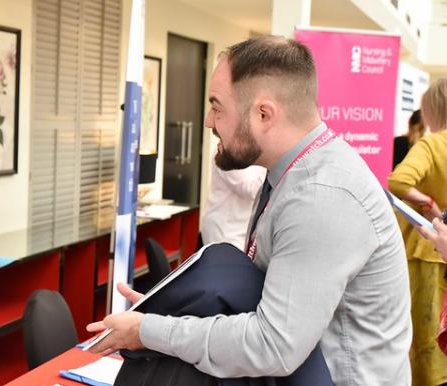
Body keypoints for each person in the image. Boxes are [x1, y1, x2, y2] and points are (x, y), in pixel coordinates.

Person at [87, 36, 412, 386]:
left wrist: (148, 331)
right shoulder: (295, 173)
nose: (209, 121)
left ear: (263, 113)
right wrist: (175, 313)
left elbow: (274, 345)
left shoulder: (320, 197)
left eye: (217, 107)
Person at [389, 78, 447, 385]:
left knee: (425, 337)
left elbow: (398, 181)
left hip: (425, 249)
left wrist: (426, 201)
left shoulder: (432, 144)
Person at [200, 146, 265, 250]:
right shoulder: (228, 151)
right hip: (226, 231)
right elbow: (251, 190)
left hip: (241, 227)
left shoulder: (252, 150)